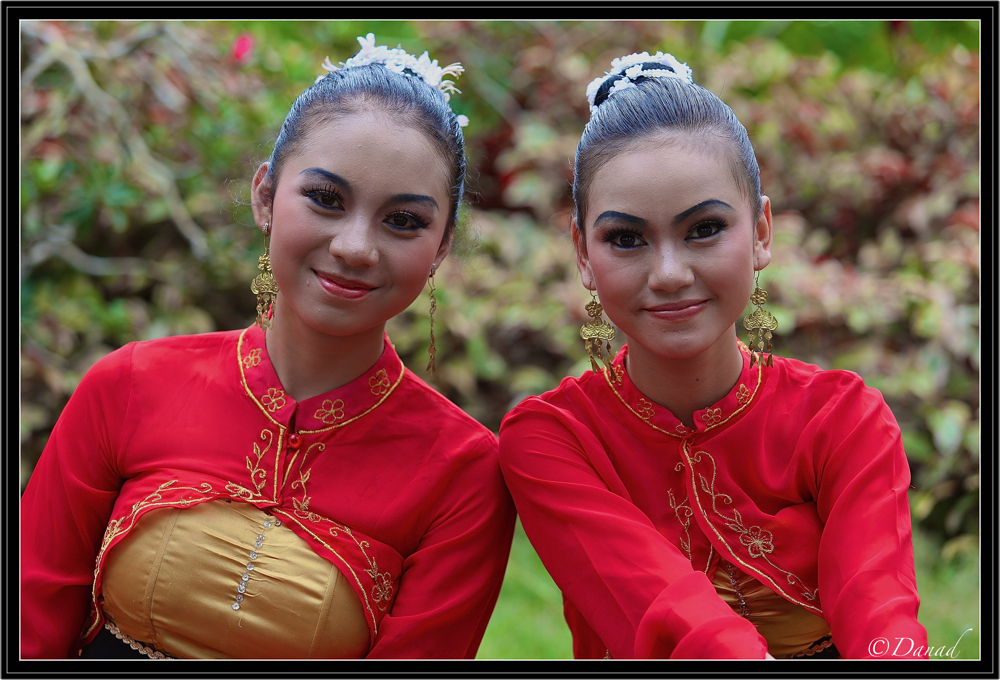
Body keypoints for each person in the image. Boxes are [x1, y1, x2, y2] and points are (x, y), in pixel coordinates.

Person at [21, 34, 515, 660]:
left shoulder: (464, 472)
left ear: (441, 246)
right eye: (326, 200)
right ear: (264, 197)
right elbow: (28, 628)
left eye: (404, 221)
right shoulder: (129, 385)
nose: (356, 247)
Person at [498, 50, 928, 660]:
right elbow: (670, 616)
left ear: (761, 232)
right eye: (626, 239)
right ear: (583, 254)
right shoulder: (553, 438)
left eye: (704, 229)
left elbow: (881, 615)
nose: (670, 274)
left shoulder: (845, 419)